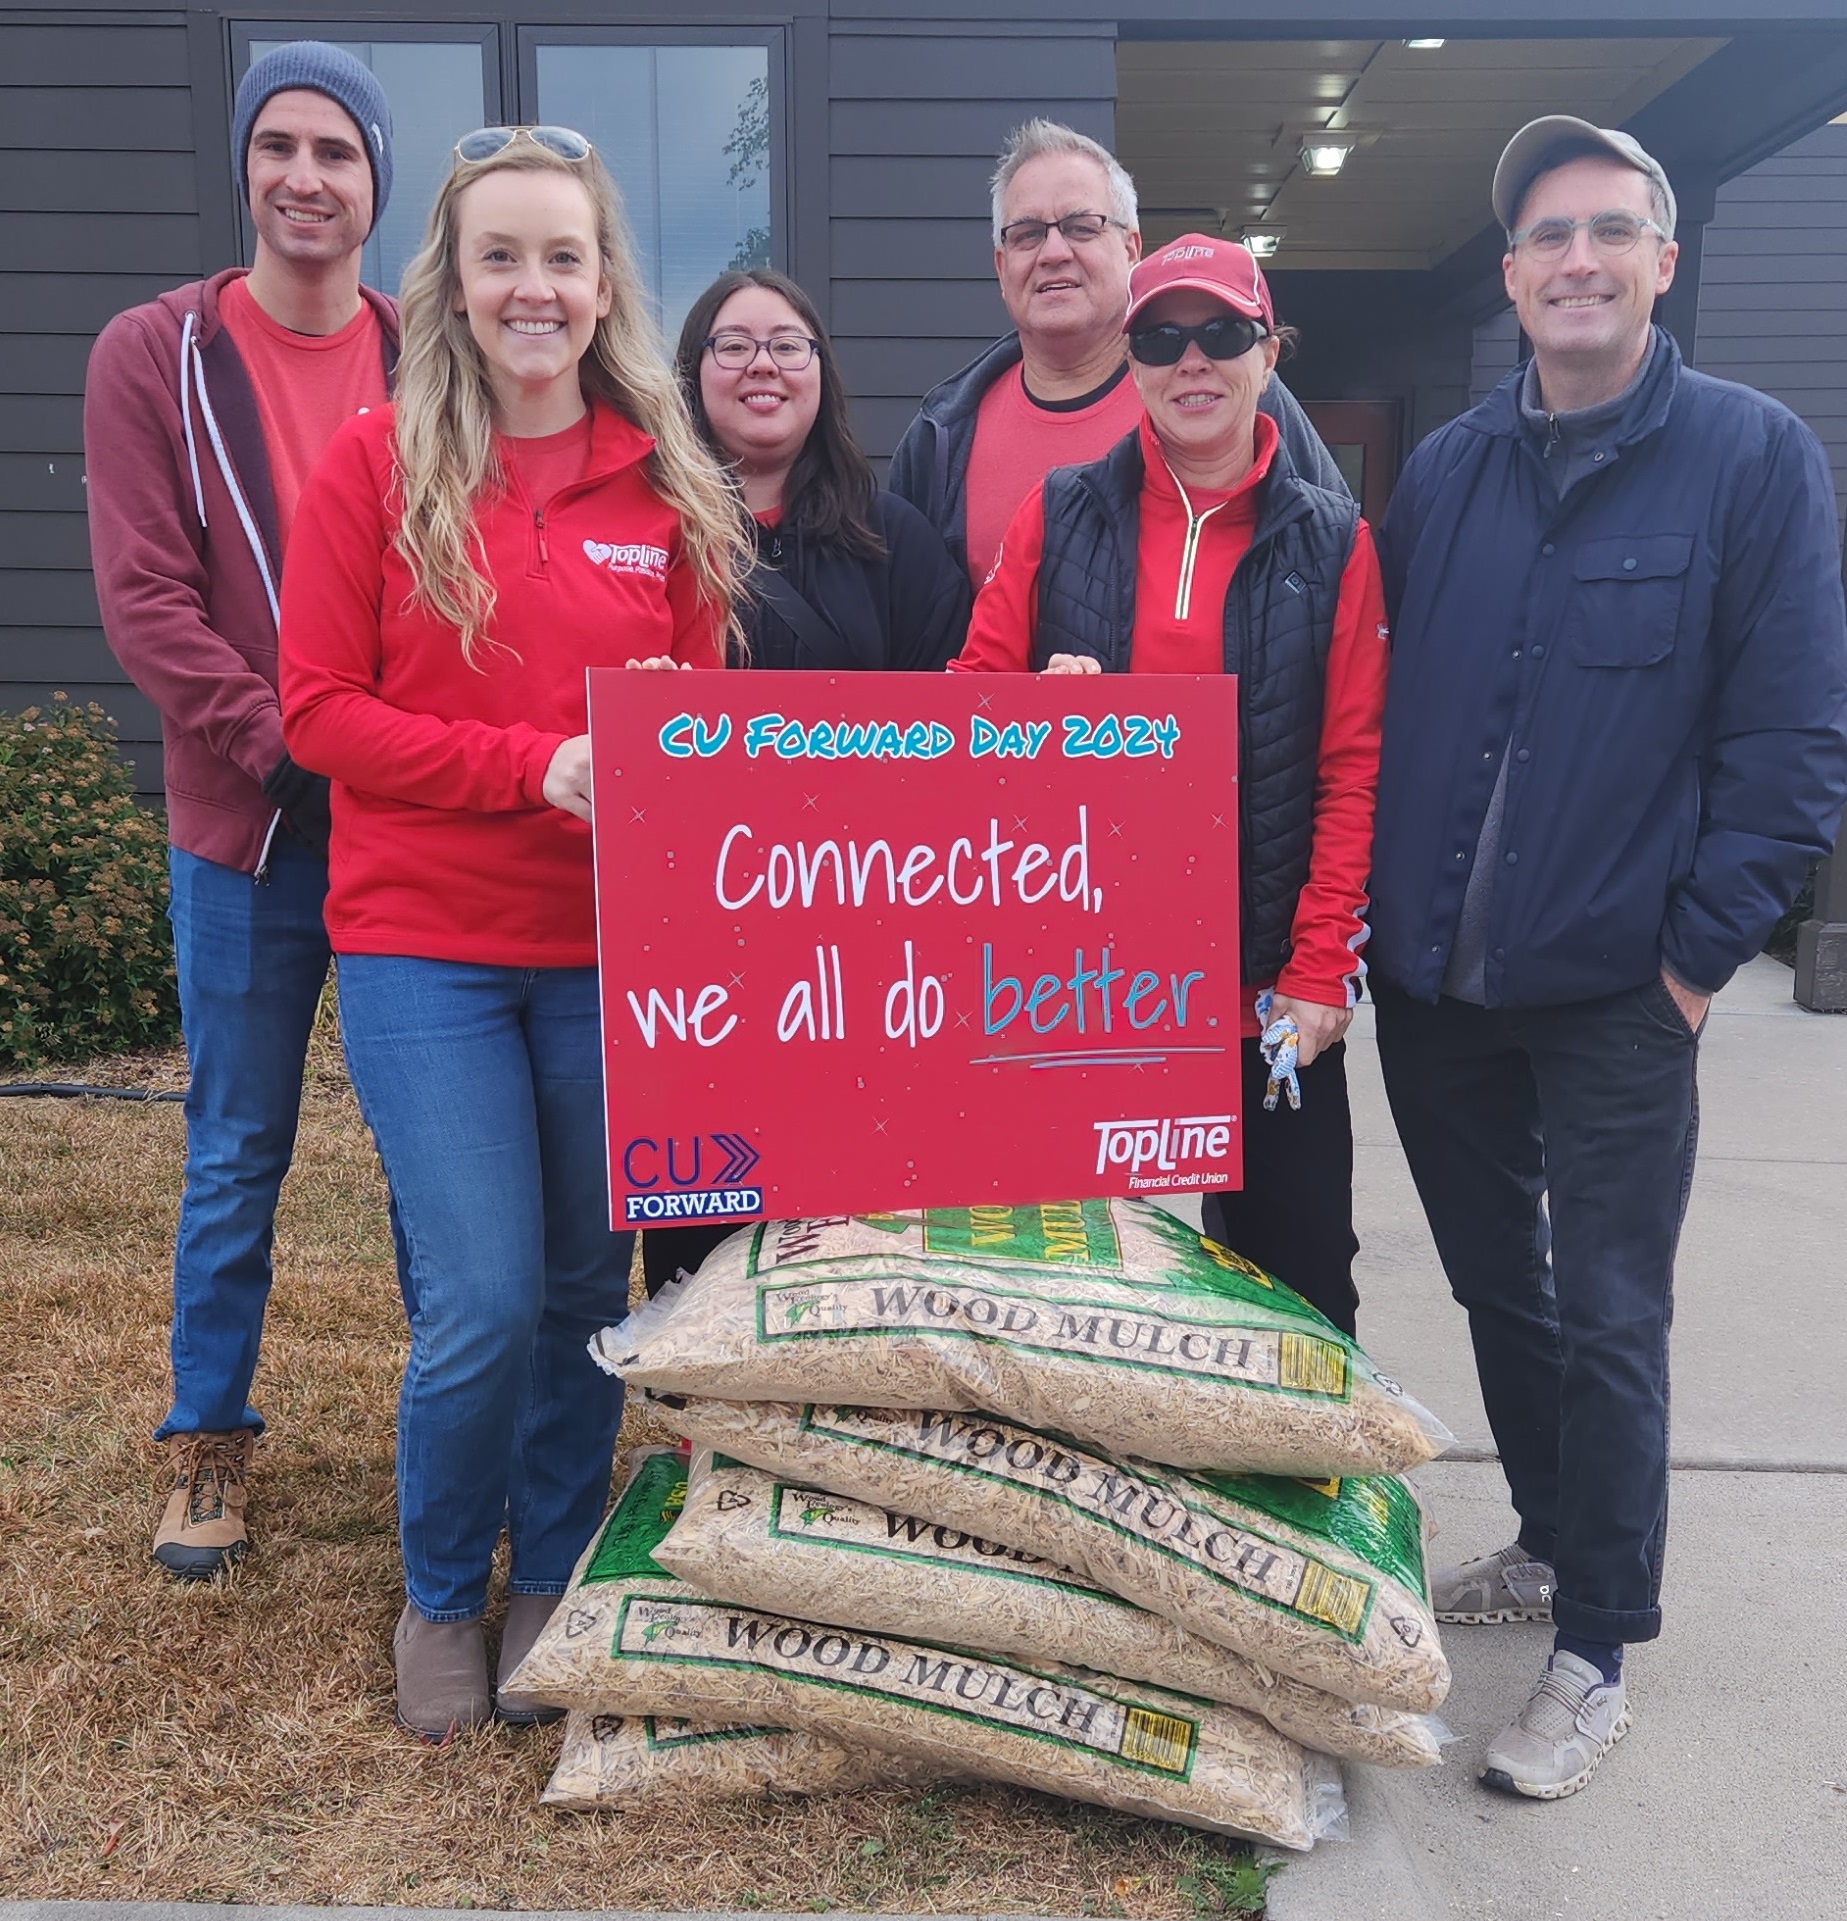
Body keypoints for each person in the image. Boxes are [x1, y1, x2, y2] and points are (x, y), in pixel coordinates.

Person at [1369, 116, 1847, 1800]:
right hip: (1435, 989)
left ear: (1659, 259)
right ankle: (1550, 1539)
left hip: (1614, 995)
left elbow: (1792, 742)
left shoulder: (1750, 457)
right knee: (1504, 1287)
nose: (1574, 259)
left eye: (1606, 231)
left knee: (1614, 1314)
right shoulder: (1442, 472)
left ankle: (1597, 1644)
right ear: (1507, 277)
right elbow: (1396, 708)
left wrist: (1697, 960)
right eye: (1544, 236)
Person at [277, 125, 748, 1738]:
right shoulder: (375, 464)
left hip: (609, 955)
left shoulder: (661, 476)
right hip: (426, 946)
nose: (533, 286)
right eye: (501, 257)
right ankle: (436, 1589)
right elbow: (317, 713)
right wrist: (530, 768)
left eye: (562, 256)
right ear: (455, 285)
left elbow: (694, 718)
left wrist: (683, 739)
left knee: (572, 1290)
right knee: (475, 1297)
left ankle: (550, 1573)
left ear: (602, 281)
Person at [83, 42, 399, 1581]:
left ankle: (446, 1430)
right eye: (278, 145)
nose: (304, 178)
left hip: (413, 821)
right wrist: (279, 745)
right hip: (251, 823)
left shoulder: (427, 354)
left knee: (431, 1145)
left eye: (336, 152)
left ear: (374, 183)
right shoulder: (156, 355)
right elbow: (146, 600)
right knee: (235, 1143)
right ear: (244, 166)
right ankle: (206, 1440)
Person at [950, 233, 1388, 1336]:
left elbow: (1350, 769)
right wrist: (1029, 721)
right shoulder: (1059, 513)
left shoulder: (1333, 538)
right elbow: (959, 720)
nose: (1191, 363)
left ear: (1266, 350)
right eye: (1159, 337)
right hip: (1078, 989)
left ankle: (1287, 1503)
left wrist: (1321, 964)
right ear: (1130, 358)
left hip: (1260, 996)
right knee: (1070, 1294)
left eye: (1221, 334)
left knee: (1296, 1289)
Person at [636, 272, 972, 1297]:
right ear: (691, 376)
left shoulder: (897, 540)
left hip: (860, 949)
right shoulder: (642, 529)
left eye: (788, 344)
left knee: (851, 1224)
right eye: (732, 346)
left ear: (822, 374)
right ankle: (710, 1432)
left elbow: (953, 729)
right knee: (705, 1230)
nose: (762, 365)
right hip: (694, 946)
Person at [888, 119, 1344, 589]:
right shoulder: (940, 435)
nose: (1054, 252)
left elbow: (1331, 556)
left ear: (1131, 250)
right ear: (1002, 267)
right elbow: (910, 625)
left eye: (1081, 228)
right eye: (1026, 234)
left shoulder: (1227, 393)